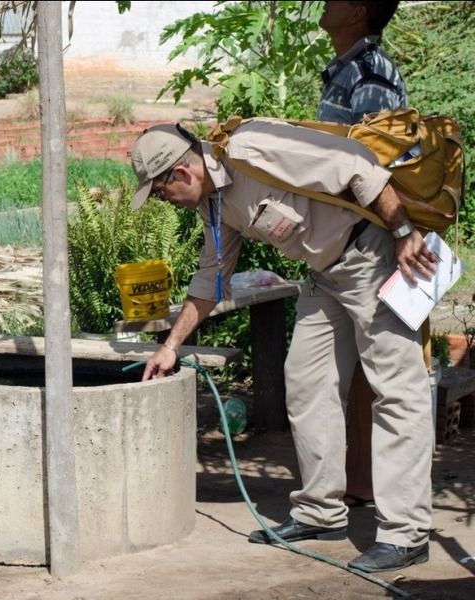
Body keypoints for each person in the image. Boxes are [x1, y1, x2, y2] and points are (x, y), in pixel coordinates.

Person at [129, 120, 436, 573]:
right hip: (325, 274)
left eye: (158, 193)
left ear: (181, 174)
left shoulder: (253, 149)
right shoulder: (215, 207)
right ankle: (320, 513)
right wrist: (171, 345)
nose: (163, 203)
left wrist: (403, 231)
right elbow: (211, 280)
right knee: (307, 382)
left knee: (397, 390)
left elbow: (357, 166)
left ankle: (406, 535)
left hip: (373, 256)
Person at [318, 0, 408, 509]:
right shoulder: (346, 69)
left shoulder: (371, 73)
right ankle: (358, 484)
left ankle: (376, 491)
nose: (324, 5)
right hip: (341, 241)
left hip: (366, 239)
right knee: (349, 373)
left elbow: (373, 162)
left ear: (355, 11)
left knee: (378, 376)